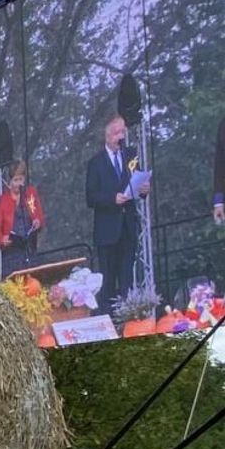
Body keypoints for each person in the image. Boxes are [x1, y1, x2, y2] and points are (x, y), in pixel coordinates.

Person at [85, 114, 150, 314]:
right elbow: (91, 197)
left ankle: (128, 318)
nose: (120, 137)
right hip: (107, 231)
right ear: (107, 136)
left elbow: (138, 182)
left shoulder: (130, 155)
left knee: (126, 279)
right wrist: (112, 199)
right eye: (116, 133)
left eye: (123, 132)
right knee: (108, 281)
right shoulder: (96, 163)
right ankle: (111, 320)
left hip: (127, 227)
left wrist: (143, 189)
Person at [0, 161, 46, 276]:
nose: (18, 183)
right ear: (10, 181)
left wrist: (37, 221)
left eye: (20, 179)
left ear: (24, 179)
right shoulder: (4, 200)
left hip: (30, 250)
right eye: (15, 180)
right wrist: (2, 239)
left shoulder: (30, 193)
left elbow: (39, 215)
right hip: (12, 254)